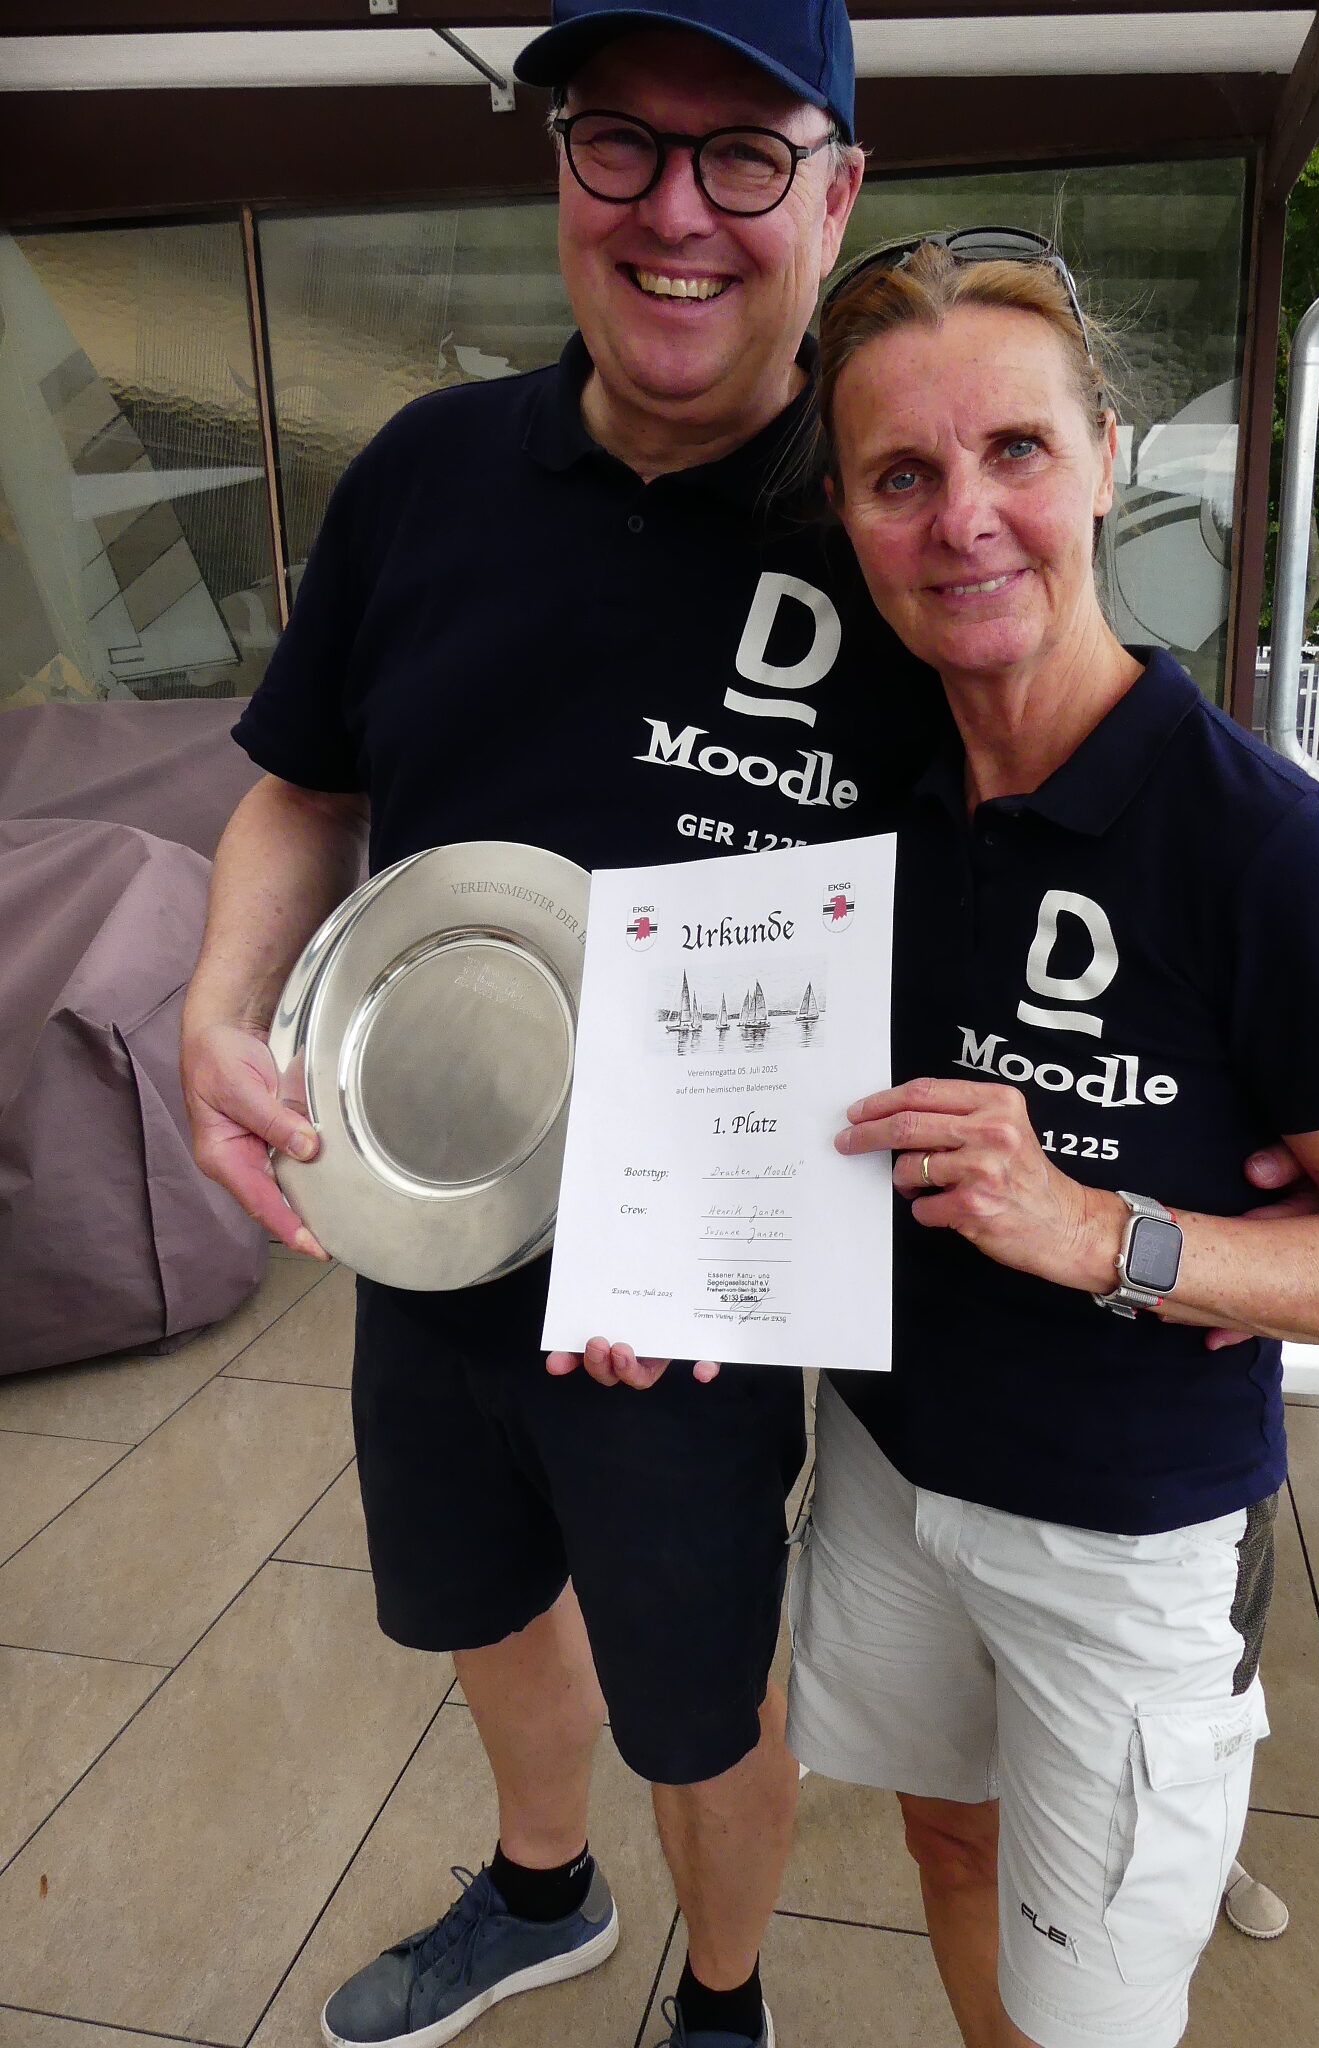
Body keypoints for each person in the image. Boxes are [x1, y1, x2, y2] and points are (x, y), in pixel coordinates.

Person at [178, 9, 947, 2048]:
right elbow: (304, 786)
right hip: (424, 1204)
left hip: (707, 1285)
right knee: (480, 1599)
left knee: (703, 1691)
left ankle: (724, 1998)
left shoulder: (899, 523)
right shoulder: (430, 475)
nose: (674, 211)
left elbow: (1075, 832)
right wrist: (218, 1003)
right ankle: (543, 1887)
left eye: (743, 154)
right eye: (621, 144)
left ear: (840, 193)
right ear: (559, 170)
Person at [780, 231, 1319, 2048]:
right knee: (949, 1842)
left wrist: (1109, 1232)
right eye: (901, 474)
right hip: (884, 1461)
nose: (965, 517)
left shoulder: (1265, 847)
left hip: (1127, 1534)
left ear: (1109, 461)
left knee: (1095, 2007)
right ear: (849, 519)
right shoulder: (869, 794)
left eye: (1016, 449)